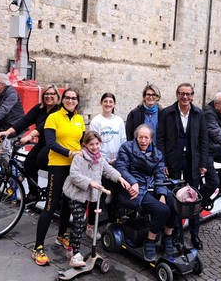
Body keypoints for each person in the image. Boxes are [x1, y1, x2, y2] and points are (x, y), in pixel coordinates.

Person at [156, 83, 218, 250]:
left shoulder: (198, 113)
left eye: (188, 94)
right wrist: (163, 163)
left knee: (193, 199)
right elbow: (160, 139)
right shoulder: (167, 113)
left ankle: (194, 234)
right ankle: (175, 234)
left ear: (192, 96)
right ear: (177, 95)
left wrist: (203, 162)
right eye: (182, 94)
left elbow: (204, 140)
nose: (185, 97)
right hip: (173, 160)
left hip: (193, 161)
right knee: (176, 198)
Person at [31, 88, 85, 266]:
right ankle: (37, 247)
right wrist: (70, 153)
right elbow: (51, 143)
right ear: (63, 100)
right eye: (67, 98)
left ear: (77, 101)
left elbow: (81, 142)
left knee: (68, 203)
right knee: (50, 204)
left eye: (74, 98)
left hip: (74, 167)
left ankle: (62, 236)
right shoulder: (53, 117)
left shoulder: (79, 119)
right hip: (57, 165)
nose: (70, 101)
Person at [63, 131, 130, 267]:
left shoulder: (99, 158)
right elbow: (74, 174)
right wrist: (89, 182)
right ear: (85, 145)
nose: (94, 147)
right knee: (79, 221)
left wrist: (120, 178)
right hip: (75, 194)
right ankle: (75, 255)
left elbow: (108, 170)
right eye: (91, 144)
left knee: (79, 221)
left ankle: (70, 249)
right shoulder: (80, 157)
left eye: (97, 144)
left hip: (87, 195)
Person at [115, 124, 177, 262]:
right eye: (140, 137)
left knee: (174, 204)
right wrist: (134, 182)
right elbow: (121, 168)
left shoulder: (157, 153)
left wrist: (162, 194)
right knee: (162, 210)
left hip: (153, 186)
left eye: (146, 137)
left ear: (151, 139)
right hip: (134, 189)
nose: (143, 140)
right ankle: (150, 240)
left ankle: (167, 237)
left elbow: (160, 175)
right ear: (136, 137)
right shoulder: (127, 148)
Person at [0, 84, 61, 203]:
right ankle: (34, 193)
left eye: (52, 94)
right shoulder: (39, 109)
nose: (49, 96)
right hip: (42, 142)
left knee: (45, 163)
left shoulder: (58, 111)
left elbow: (44, 126)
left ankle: (55, 193)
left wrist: (30, 136)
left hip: (56, 144)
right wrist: (8, 132)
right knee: (29, 164)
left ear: (57, 96)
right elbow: (24, 121)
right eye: (46, 94)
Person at [87, 92, 126, 240]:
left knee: (114, 195)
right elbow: (92, 142)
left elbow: (123, 140)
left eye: (111, 102)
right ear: (101, 103)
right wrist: (101, 158)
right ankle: (90, 226)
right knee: (97, 195)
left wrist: (119, 158)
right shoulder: (96, 121)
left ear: (114, 104)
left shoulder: (119, 121)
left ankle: (111, 222)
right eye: (105, 101)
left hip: (115, 162)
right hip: (99, 162)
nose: (108, 104)